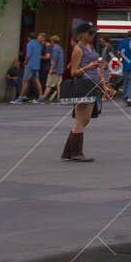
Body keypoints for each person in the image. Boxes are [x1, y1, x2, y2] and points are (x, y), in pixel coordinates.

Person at [59, 23, 105, 162]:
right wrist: (88, 66)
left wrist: (104, 85)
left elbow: (97, 69)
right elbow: (73, 72)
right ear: (80, 35)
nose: (92, 35)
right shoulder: (78, 50)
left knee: (85, 120)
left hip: (92, 86)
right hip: (83, 87)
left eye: (93, 33)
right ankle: (76, 152)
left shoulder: (90, 47)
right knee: (80, 120)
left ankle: (68, 152)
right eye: (90, 33)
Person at [13, 32, 46, 104]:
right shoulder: (40, 45)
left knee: (25, 82)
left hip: (30, 65)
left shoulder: (30, 44)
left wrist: (25, 62)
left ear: (28, 38)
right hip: (37, 66)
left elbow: (28, 55)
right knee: (37, 81)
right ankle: (41, 97)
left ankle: (20, 98)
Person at [41, 35, 65, 102]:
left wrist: (51, 69)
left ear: (52, 41)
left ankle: (43, 98)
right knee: (58, 84)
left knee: (49, 84)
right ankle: (59, 98)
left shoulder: (55, 48)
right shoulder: (60, 48)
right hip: (60, 69)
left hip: (55, 70)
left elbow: (54, 60)